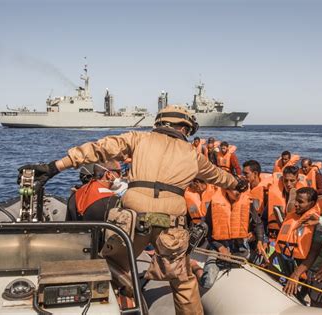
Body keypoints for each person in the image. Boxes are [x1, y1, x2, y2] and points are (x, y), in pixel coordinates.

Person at [18, 105, 248, 315]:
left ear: (160, 123)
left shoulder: (138, 139)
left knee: (112, 267)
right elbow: (220, 177)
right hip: (171, 225)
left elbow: (99, 149)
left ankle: (117, 302)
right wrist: (238, 183)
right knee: (183, 282)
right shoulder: (194, 156)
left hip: (133, 219)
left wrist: (54, 167)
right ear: (184, 127)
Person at [280, 187, 322, 308]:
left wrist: (296, 275)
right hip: (304, 269)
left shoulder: (319, 223)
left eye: (300, 202)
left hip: (320, 272)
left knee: (316, 304)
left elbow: (313, 253)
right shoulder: (295, 217)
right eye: (296, 200)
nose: (296, 204)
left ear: (312, 204)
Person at [265, 166, 305, 239]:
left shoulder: (304, 198)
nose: (288, 184)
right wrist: (263, 239)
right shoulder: (275, 194)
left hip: (294, 236)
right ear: (282, 180)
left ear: (297, 180)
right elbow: (263, 219)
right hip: (275, 235)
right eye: (286, 181)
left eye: (292, 181)